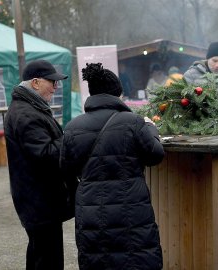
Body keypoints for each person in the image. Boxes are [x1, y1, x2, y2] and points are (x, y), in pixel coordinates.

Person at [60, 63, 164, 270]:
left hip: (90, 209)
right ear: (119, 94)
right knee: (136, 259)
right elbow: (155, 155)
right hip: (132, 208)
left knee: (98, 260)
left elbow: (65, 168)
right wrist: (151, 129)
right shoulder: (134, 122)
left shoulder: (72, 127)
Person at [4, 59, 75, 270]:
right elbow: (46, 154)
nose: (56, 86)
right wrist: (70, 137)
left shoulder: (29, 108)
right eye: (51, 82)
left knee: (40, 254)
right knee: (48, 259)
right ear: (35, 83)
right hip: (39, 202)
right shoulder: (26, 114)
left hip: (38, 200)